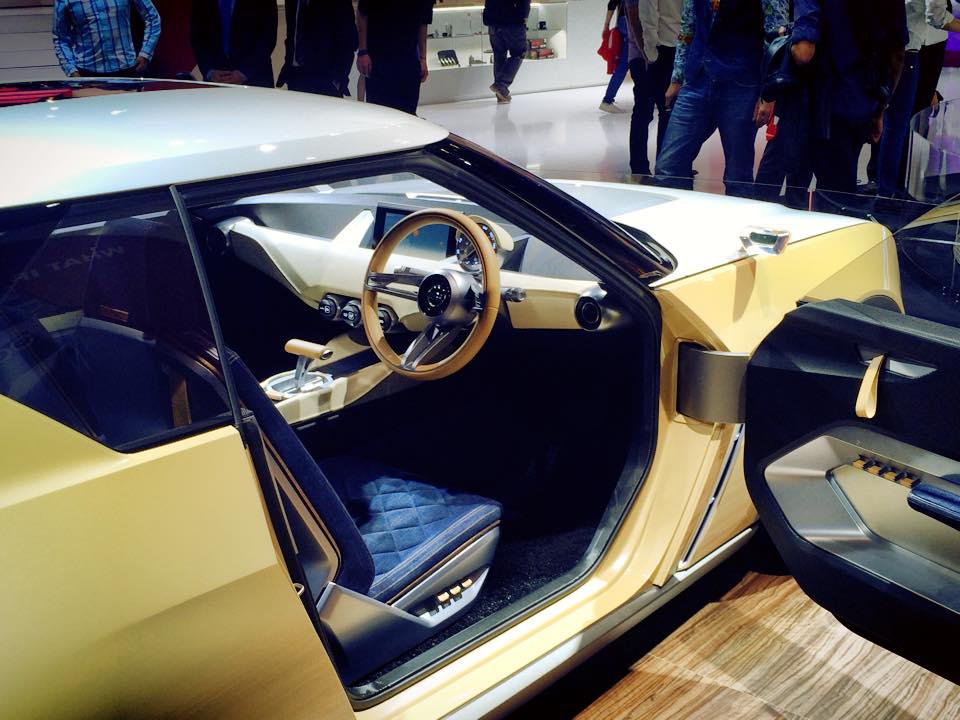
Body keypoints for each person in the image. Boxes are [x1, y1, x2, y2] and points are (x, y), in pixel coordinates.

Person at [653, 0, 787, 195]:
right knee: (668, 168)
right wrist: (677, 78)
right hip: (697, 80)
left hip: (742, 83)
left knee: (738, 178)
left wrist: (768, 93)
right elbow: (688, 26)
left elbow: (776, 37)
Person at [791, 0, 908, 194]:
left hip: (824, 104)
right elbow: (898, 54)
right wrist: (881, 107)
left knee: (831, 190)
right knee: (841, 183)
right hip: (864, 101)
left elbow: (803, 52)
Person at [876, 1, 958, 196]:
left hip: (921, 43)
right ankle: (887, 194)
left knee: (908, 123)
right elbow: (935, 15)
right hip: (908, 44)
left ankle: (897, 191)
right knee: (898, 125)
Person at [625, 0, 683, 173]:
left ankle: (663, 164)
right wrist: (649, 54)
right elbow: (636, 15)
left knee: (663, 112)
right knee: (646, 111)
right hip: (645, 55)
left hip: (655, 53)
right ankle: (641, 167)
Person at [356, 0, 434, 115]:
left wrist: (423, 58)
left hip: (409, 59)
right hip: (379, 58)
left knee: (408, 112)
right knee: (380, 111)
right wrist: (362, 51)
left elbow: (423, 22)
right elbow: (362, 13)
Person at [53, 0, 161, 78]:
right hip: (86, 73)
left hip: (127, 70)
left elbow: (152, 17)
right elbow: (60, 38)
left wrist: (146, 53)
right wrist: (71, 70)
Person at [278, 0, 358, 97]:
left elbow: (348, 39)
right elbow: (292, 33)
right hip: (295, 76)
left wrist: (337, 79)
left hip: (325, 79)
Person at [190, 0, 277, 88]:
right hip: (215, 81)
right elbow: (197, 37)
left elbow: (268, 37)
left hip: (256, 80)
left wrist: (245, 73)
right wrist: (210, 71)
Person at [484, 0, 530, 104]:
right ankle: (501, 85)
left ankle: (501, 94)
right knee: (519, 53)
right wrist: (524, 16)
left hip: (493, 20)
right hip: (511, 19)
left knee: (499, 55)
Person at [600, 0, 629, 112]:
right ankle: (607, 100)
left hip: (623, 21)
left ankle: (608, 100)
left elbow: (612, 4)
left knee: (625, 63)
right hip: (632, 22)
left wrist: (606, 25)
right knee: (626, 64)